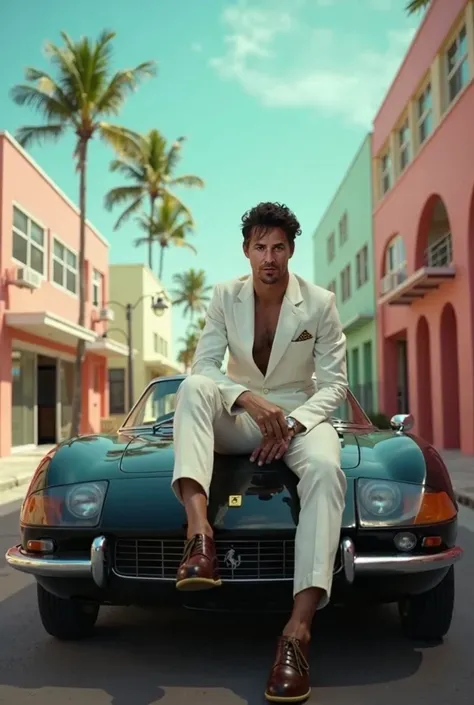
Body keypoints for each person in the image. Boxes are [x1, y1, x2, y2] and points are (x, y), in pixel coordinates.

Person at [171, 201, 348, 703]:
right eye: (259, 247)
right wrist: (247, 398)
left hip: (299, 415)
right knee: (191, 388)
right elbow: (206, 366)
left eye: (278, 247)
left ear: (291, 250)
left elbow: (334, 386)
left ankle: (296, 633)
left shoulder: (320, 302)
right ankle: (200, 539)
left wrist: (290, 423)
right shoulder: (225, 296)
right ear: (246, 251)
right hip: (242, 411)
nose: (269, 256)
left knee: (326, 469)